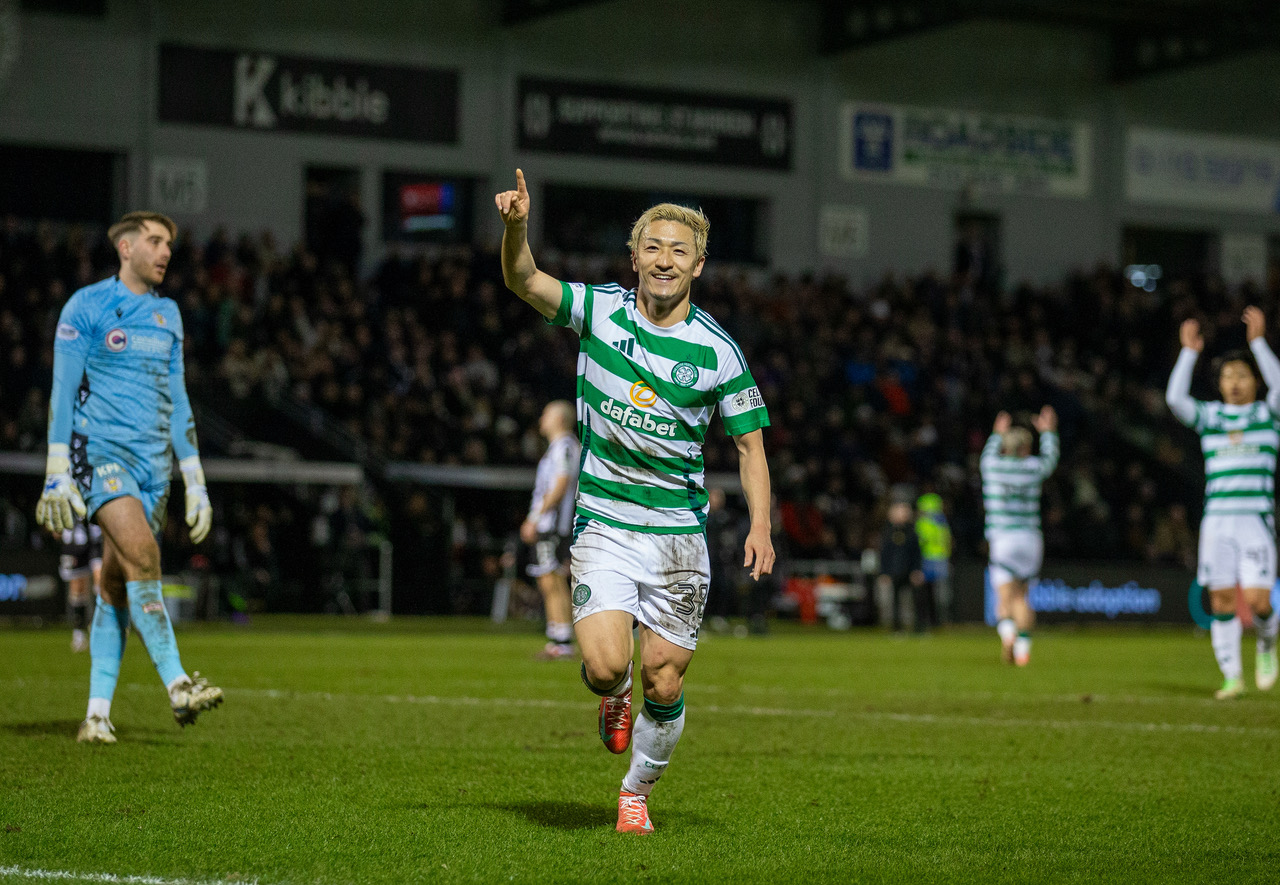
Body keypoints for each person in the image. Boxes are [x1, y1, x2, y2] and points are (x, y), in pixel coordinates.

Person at [495, 170, 775, 834]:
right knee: (604, 666)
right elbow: (524, 281)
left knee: (667, 681)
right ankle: (613, 696)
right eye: (653, 246)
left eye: (679, 250)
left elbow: (751, 448)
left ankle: (635, 793)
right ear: (634, 256)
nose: (664, 259)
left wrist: (761, 522)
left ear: (699, 264)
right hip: (606, 524)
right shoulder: (599, 308)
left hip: (678, 536)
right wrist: (515, 229)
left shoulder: (719, 353)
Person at [36, 210, 224, 744]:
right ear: (125, 247)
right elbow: (63, 387)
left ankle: (96, 715)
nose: (166, 252)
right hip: (103, 457)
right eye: (156, 241)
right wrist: (56, 467)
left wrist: (195, 476)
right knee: (144, 555)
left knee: (116, 583)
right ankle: (178, 683)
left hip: (155, 469)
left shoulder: (169, 317)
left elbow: (180, 397)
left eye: (170, 244)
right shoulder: (87, 306)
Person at [1166, 308, 1280, 698]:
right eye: (1227, 376)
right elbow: (1175, 399)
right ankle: (1232, 676)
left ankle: (1266, 642)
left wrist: (1259, 344)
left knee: (1258, 600)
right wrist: (1187, 353)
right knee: (1221, 599)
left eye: (1241, 375)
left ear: (1256, 380)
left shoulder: (1268, 415)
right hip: (1217, 522)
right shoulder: (1211, 417)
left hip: (1254, 521)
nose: (1233, 383)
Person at [980, 406, 1059, 666]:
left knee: (1004, 598)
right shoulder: (1032, 468)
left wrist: (996, 434)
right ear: (1026, 448)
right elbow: (1050, 460)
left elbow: (986, 456)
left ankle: (1007, 636)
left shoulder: (992, 467)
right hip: (1030, 540)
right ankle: (1023, 650)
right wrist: (1048, 433)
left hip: (1003, 540)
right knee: (1022, 597)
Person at [520, 400, 581, 660]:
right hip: (554, 523)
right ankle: (558, 637)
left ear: (559, 419)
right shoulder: (561, 447)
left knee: (553, 581)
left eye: (546, 414)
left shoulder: (564, 447)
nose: (541, 418)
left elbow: (561, 482)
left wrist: (535, 517)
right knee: (549, 581)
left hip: (554, 524)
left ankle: (562, 640)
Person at [877, 499, 926, 633]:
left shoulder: (911, 532)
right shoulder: (888, 532)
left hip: (910, 571)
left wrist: (917, 570)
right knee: (895, 602)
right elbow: (884, 554)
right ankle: (897, 628)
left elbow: (917, 553)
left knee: (917, 600)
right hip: (895, 571)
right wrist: (884, 572)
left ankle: (919, 628)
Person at [60, 516, 102, 653]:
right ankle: (79, 633)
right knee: (78, 590)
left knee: (101, 582)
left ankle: (102, 627)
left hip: (97, 539)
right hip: (75, 541)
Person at [915, 492, 951, 625]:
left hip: (927, 560)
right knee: (939, 594)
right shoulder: (942, 523)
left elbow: (920, 542)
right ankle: (939, 620)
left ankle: (926, 621)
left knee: (925, 593)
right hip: (940, 559)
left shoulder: (923, 523)